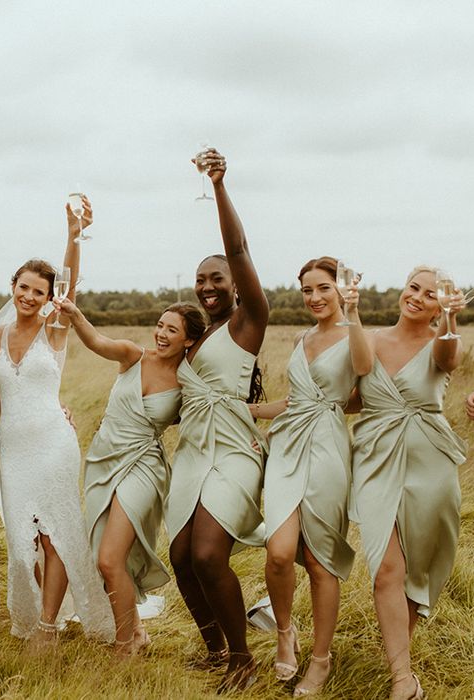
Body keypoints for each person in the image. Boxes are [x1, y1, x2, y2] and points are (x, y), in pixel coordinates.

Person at [0, 197, 114, 649]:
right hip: (14, 448)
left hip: (54, 444)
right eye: (23, 287)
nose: (28, 296)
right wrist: (16, 421)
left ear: (47, 297)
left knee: (54, 530)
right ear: (13, 286)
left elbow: (70, 283)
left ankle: (46, 626)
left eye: (38, 291)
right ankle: (50, 607)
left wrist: (73, 233)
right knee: (24, 540)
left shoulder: (54, 329)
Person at [165, 149, 269, 690]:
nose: (208, 285)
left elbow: (239, 247)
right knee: (181, 557)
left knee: (208, 553)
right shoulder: (194, 337)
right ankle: (213, 648)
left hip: (232, 454)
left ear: (236, 283)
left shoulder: (248, 322)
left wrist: (220, 186)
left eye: (218, 277)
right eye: (201, 278)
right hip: (192, 456)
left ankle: (243, 658)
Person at [54, 297, 205, 656]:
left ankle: (124, 647)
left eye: (172, 329)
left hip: (143, 465)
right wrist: (75, 316)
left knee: (109, 557)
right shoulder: (133, 355)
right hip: (102, 460)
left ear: (188, 340)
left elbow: (211, 412)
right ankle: (136, 632)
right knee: (104, 557)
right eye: (160, 325)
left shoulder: (188, 380)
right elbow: (96, 342)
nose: (162, 333)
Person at [351, 266, 466, 700]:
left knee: (415, 571)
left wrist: (451, 321)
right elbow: (350, 396)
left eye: (431, 295)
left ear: (441, 305)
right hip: (376, 461)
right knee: (385, 570)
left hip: (430, 467)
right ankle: (403, 679)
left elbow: (448, 358)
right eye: (414, 287)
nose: (418, 297)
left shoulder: (441, 341)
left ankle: (400, 660)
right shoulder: (373, 339)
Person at [258, 257, 371, 696]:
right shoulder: (302, 337)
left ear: (341, 289)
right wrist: (246, 411)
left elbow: (362, 371)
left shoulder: (355, 334)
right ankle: (285, 632)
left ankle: (320, 662)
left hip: (326, 449)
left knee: (320, 561)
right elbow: (293, 401)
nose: (315, 298)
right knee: (279, 552)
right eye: (307, 290)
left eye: (323, 288)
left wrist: (356, 315)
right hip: (286, 445)